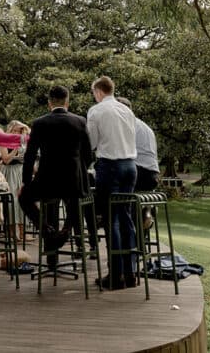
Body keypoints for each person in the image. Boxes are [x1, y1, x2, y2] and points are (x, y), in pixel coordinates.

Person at [19, 86, 93, 267]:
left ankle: (47, 231)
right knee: (75, 203)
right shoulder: (80, 121)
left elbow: (29, 156)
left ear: (49, 103)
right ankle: (66, 231)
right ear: (67, 102)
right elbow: (88, 155)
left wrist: (26, 182)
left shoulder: (39, 123)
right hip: (73, 181)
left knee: (24, 198)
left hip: (47, 180)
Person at [87, 76, 138, 290]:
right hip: (130, 166)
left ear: (98, 91)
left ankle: (115, 276)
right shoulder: (127, 111)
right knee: (125, 216)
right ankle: (131, 272)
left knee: (111, 219)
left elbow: (91, 142)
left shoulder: (96, 110)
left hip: (110, 166)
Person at [116, 97, 161, 193]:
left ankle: (105, 207)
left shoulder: (124, 125)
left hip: (138, 175)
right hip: (153, 176)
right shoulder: (144, 126)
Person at [0, 121, 31, 240]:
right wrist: (15, 149)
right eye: (14, 130)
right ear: (9, 130)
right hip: (9, 171)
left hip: (20, 171)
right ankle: (11, 232)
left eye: (19, 131)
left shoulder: (23, 141)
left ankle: (23, 232)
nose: (17, 133)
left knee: (22, 200)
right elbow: (6, 160)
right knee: (12, 201)